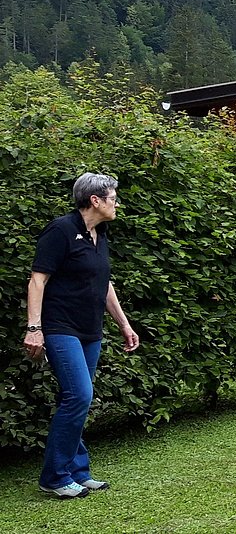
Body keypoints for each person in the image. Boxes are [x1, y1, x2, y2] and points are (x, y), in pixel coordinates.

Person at [23, 173, 140, 499]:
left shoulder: (99, 233)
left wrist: (124, 324)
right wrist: (34, 328)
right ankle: (54, 477)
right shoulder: (61, 230)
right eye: (113, 198)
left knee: (73, 399)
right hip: (61, 327)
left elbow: (104, 283)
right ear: (95, 200)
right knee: (79, 396)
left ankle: (77, 471)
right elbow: (37, 280)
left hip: (90, 330)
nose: (117, 204)